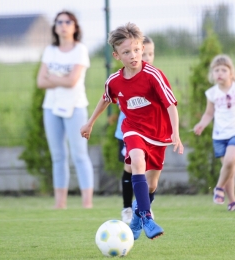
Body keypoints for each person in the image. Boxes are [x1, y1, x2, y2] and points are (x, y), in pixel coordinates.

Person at [80, 22, 183, 240]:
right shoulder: (114, 81)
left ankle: (137, 216)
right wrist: (89, 122)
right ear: (117, 55)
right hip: (133, 129)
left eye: (137, 50)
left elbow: (171, 104)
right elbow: (106, 99)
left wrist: (175, 132)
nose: (134, 55)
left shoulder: (153, 75)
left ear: (142, 49)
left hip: (158, 133)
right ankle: (146, 216)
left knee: (152, 184)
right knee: (136, 160)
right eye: (127, 52)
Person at [37, 10, 94, 209]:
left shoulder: (80, 50)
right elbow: (40, 81)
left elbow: (72, 81)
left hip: (75, 107)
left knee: (79, 154)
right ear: (55, 26)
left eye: (67, 21)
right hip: (51, 108)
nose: (63, 25)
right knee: (58, 156)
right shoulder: (50, 50)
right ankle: (60, 204)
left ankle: (87, 203)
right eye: (59, 21)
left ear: (75, 26)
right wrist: (60, 80)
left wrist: (53, 78)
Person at [115, 36, 155, 224]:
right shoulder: (123, 76)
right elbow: (113, 95)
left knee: (148, 172)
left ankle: (143, 207)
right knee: (130, 166)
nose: (145, 57)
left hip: (150, 132)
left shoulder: (153, 76)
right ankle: (127, 208)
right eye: (142, 53)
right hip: (129, 130)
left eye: (149, 54)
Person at [193, 54, 235, 211]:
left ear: (231, 72)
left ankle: (218, 187)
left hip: (234, 133)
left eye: (223, 70)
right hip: (219, 136)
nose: (219, 73)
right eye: (216, 70)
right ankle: (232, 201)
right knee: (228, 169)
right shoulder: (212, 93)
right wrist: (202, 124)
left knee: (230, 161)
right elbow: (209, 114)